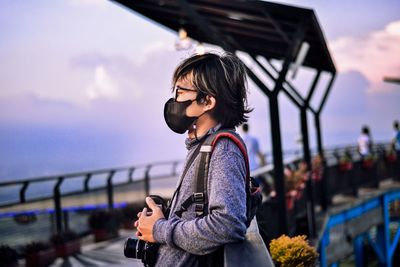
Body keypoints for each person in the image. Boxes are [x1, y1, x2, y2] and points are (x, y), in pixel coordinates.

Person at [134, 52, 252, 266]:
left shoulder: (223, 150)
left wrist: (159, 229)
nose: (174, 100)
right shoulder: (204, 146)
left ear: (207, 101)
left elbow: (228, 225)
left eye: (180, 92)